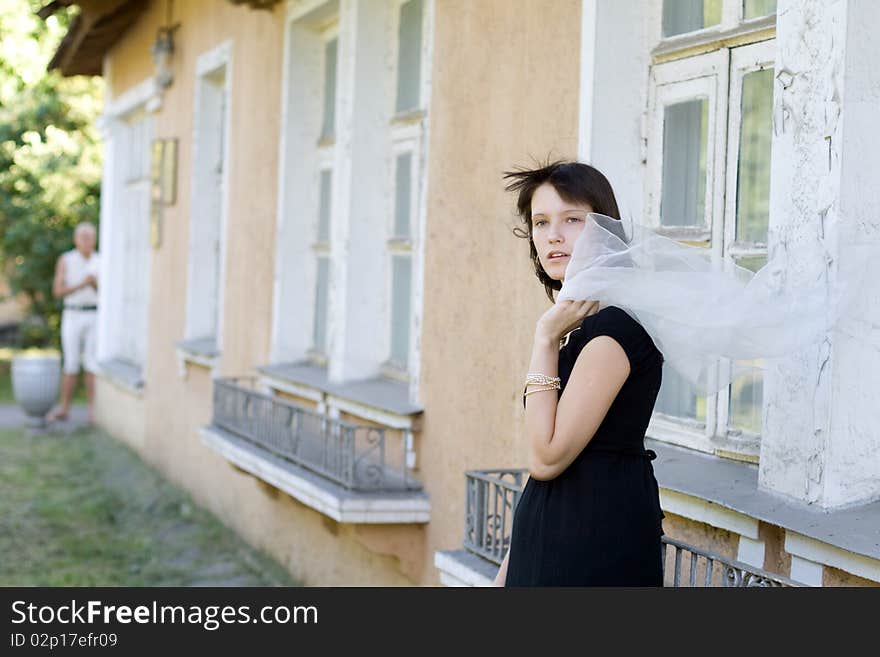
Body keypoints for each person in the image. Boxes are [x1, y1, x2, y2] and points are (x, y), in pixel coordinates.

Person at [493, 160, 666, 586]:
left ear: (604, 230)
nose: (552, 234)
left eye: (572, 219)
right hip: (553, 533)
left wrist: (543, 340)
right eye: (540, 222)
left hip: (592, 541)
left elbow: (546, 458)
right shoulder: (578, 328)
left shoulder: (614, 330)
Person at [45, 222, 100, 425]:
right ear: (76, 239)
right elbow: (58, 291)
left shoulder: (101, 260)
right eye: (83, 237)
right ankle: (64, 408)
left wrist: (94, 285)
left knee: (92, 363)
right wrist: (82, 284)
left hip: (94, 315)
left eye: (90, 237)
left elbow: (109, 295)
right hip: (73, 314)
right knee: (71, 363)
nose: (86, 241)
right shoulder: (67, 260)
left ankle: (93, 412)